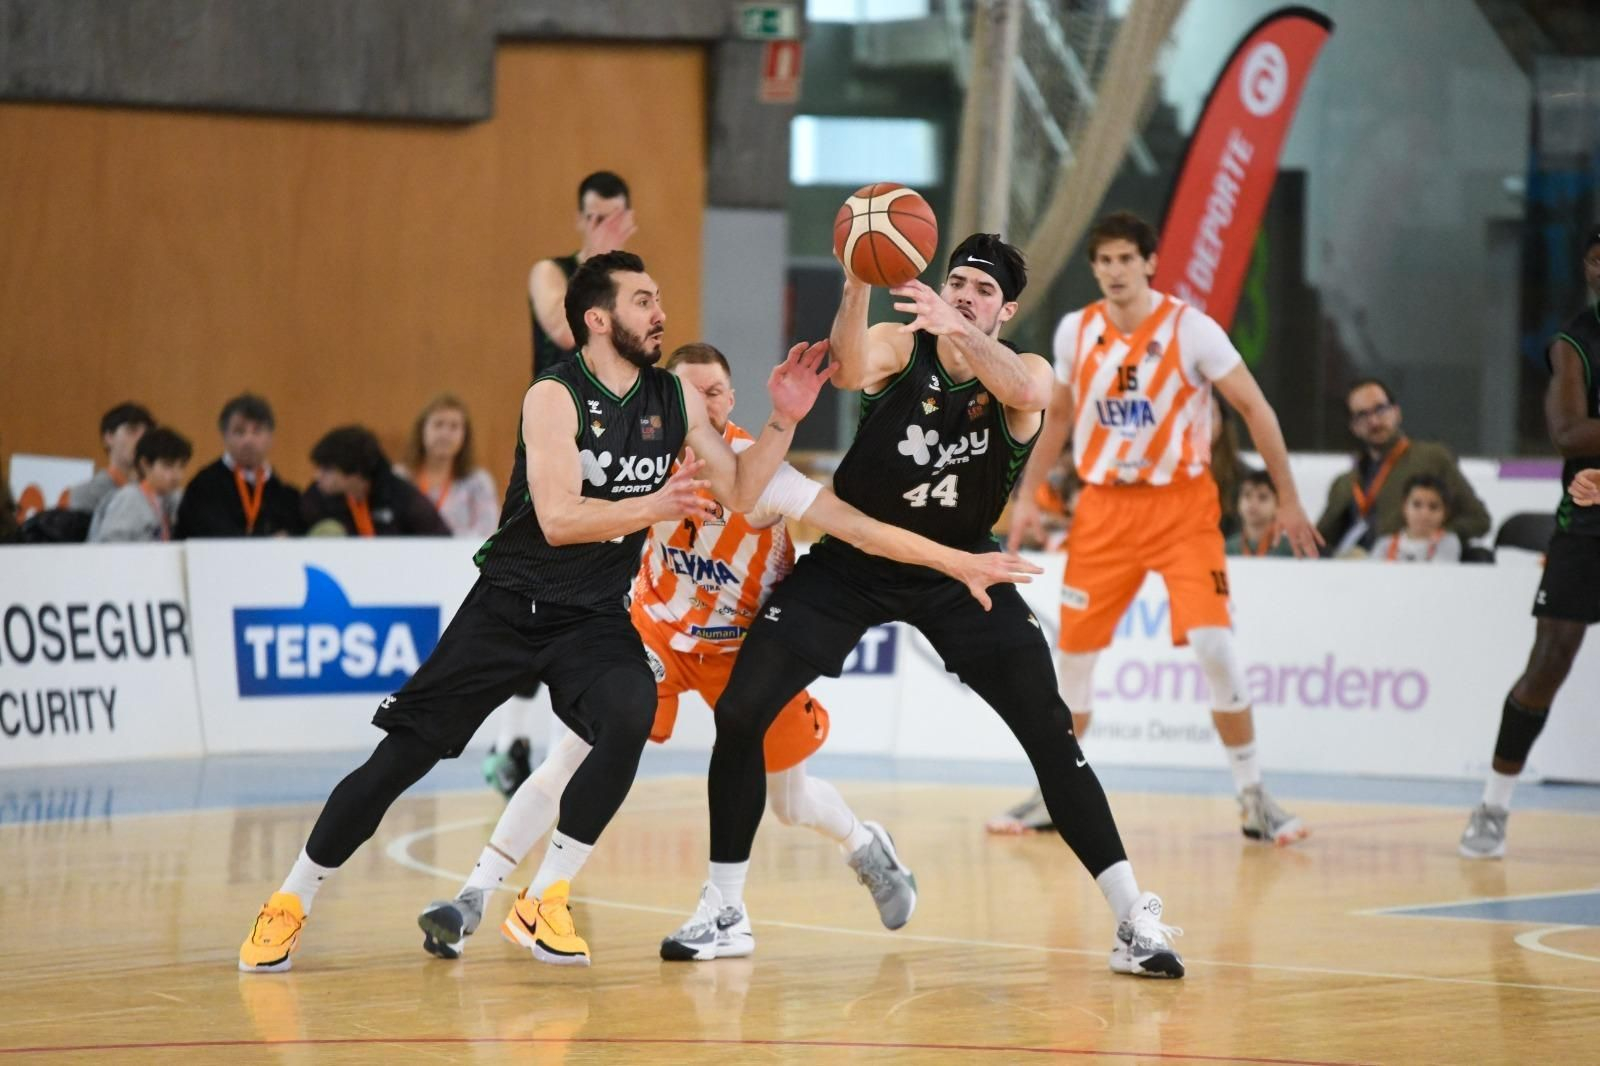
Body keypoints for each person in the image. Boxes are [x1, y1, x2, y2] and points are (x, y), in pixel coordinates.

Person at [239, 250, 834, 972]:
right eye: (644, 301)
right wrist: (656, 505)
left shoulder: (671, 401)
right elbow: (556, 519)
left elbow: (741, 493)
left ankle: (545, 896)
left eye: (659, 300)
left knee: (627, 713)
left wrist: (784, 420)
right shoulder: (552, 395)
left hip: (590, 618)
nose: (661, 313)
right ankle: (291, 900)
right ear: (598, 318)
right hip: (508, 607)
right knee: (400, 759)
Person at [414, 341, 1039, 962]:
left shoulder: (757, 469)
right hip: (655, 632)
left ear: (732, 399)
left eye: (713, 392)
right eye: (685, 392)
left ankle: (863, 844)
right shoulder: (640, 457)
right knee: (569, 759)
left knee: (791, 802)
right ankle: (472, 897)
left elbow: (859, 529)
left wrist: (954, 561)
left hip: (750, 645)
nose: (700, 405)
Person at [674, 233, 1186, 979]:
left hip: (961, 571)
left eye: (982, 290)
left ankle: (1133, 917)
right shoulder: (898, 342)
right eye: (957, 283)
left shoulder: (1024, 371)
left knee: (1050, 730)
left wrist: (961, 332)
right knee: (742, 711)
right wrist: (855, 279)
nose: (965, 295)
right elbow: (848, 369)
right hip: (854, 559)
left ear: (1006, 308)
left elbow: (1027, 393)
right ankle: (725, 909)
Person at [997, 211, 1320, 846]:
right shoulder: (1075, 331)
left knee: (1214, 648)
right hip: (1104, 510)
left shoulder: (1190, 329)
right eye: (1104, 261)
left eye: (1126, 259)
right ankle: (1051, 793)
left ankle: (1254, 796)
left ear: (1149, 263)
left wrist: (1289, 498)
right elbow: (1057, 416)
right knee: (1073, 664)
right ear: (1094, 269)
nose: (1115, 271)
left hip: (1182, 508)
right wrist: (1028, 495)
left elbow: (1254, 408)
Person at [1459, 229, 1600, 859]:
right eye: (1599, 259)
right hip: (1587, 522)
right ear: (1590, 267)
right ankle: (1493, 805)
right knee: (1551, 661)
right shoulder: (1574, 342)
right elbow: (1569, 432)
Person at [1316, 379, 1490, 556]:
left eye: (1380, 409)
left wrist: (1425, 536)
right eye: (1362, 415)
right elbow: (1319, 540)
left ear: (1397, 412)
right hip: (1353, 571)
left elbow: (1478, 520)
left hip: (1409, 567)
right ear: (1353, 427)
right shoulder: (1345, 483)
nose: (1374, 421)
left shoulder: (1431, 459)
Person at [528, 171, 636, 379]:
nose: (605, 230)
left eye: (613, 220)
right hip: (554, 404)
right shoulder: (550, 271)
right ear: (580, 220)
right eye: (597, 220)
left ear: (627, 220)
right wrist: (598, 263)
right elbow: (566, 333)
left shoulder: (635, 283)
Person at [175, 394, 304, 538]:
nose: (248, 440)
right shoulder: (204, 487)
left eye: (257, 431)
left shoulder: (286, 496)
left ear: (270, 437)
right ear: (224, 436)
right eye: (239, 432)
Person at [300, 426, 450, 537]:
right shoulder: (316, 497)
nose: (318, 475)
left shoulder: (404, 500)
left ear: (354, 472)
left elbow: (442, 543)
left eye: (327, 469)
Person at [398, 394, 500, 540]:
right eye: (438, 424)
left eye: (454, 427)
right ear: (422, 430)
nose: (445, 434)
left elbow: (488, 531)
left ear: (464, 436)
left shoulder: (478, 482)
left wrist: (447, 545)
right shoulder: (401, 478)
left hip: (461, 560)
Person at [86, 427, 192, 542]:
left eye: (181, 466)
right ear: (145, 464)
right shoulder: (129, 498)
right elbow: (111, 546)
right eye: (168, 466)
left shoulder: (174, 500)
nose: (177, 476)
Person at [66, 402, 154, 516]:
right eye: (132, 431)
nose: (141, 439)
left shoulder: (159, 494)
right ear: (109, 437)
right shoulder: (88, 493)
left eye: (146, 433)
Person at [1371, 475, 1460, 563]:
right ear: (1404, 507)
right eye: (1417, 505)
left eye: (1433, 507)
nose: (1424, 514)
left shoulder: (1448, 542)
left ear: (1445, 512)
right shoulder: (1385, 545)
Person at [1225, 469, 1294, 558]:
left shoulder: (1290, 550)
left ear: (1278, 506)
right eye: (1247, 495)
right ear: (1238, 502)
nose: (1253, 503)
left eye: (1262, 497)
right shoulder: (1226, 548)